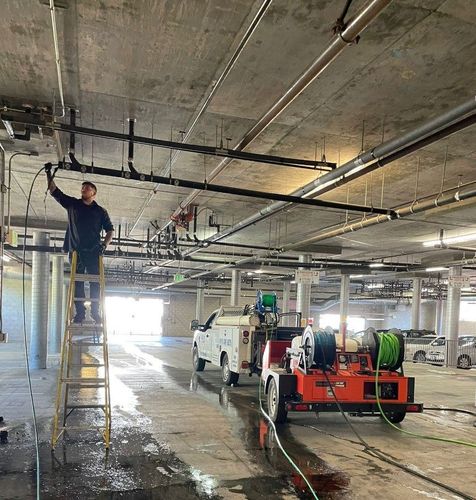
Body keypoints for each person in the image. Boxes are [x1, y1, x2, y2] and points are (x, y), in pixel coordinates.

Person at [46, 166, 114, 324]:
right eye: (83, 188)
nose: (84, 189)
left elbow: (110, 230)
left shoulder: (100, 211)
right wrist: (48, 174)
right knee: (77, 282)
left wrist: (104, 245)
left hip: (93, 252)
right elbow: (55, 191)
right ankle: (80, 313)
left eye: (88, 188)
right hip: (75, 251)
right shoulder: (73, 205)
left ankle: (96, 313)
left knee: (95, 282)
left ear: (94, 193)